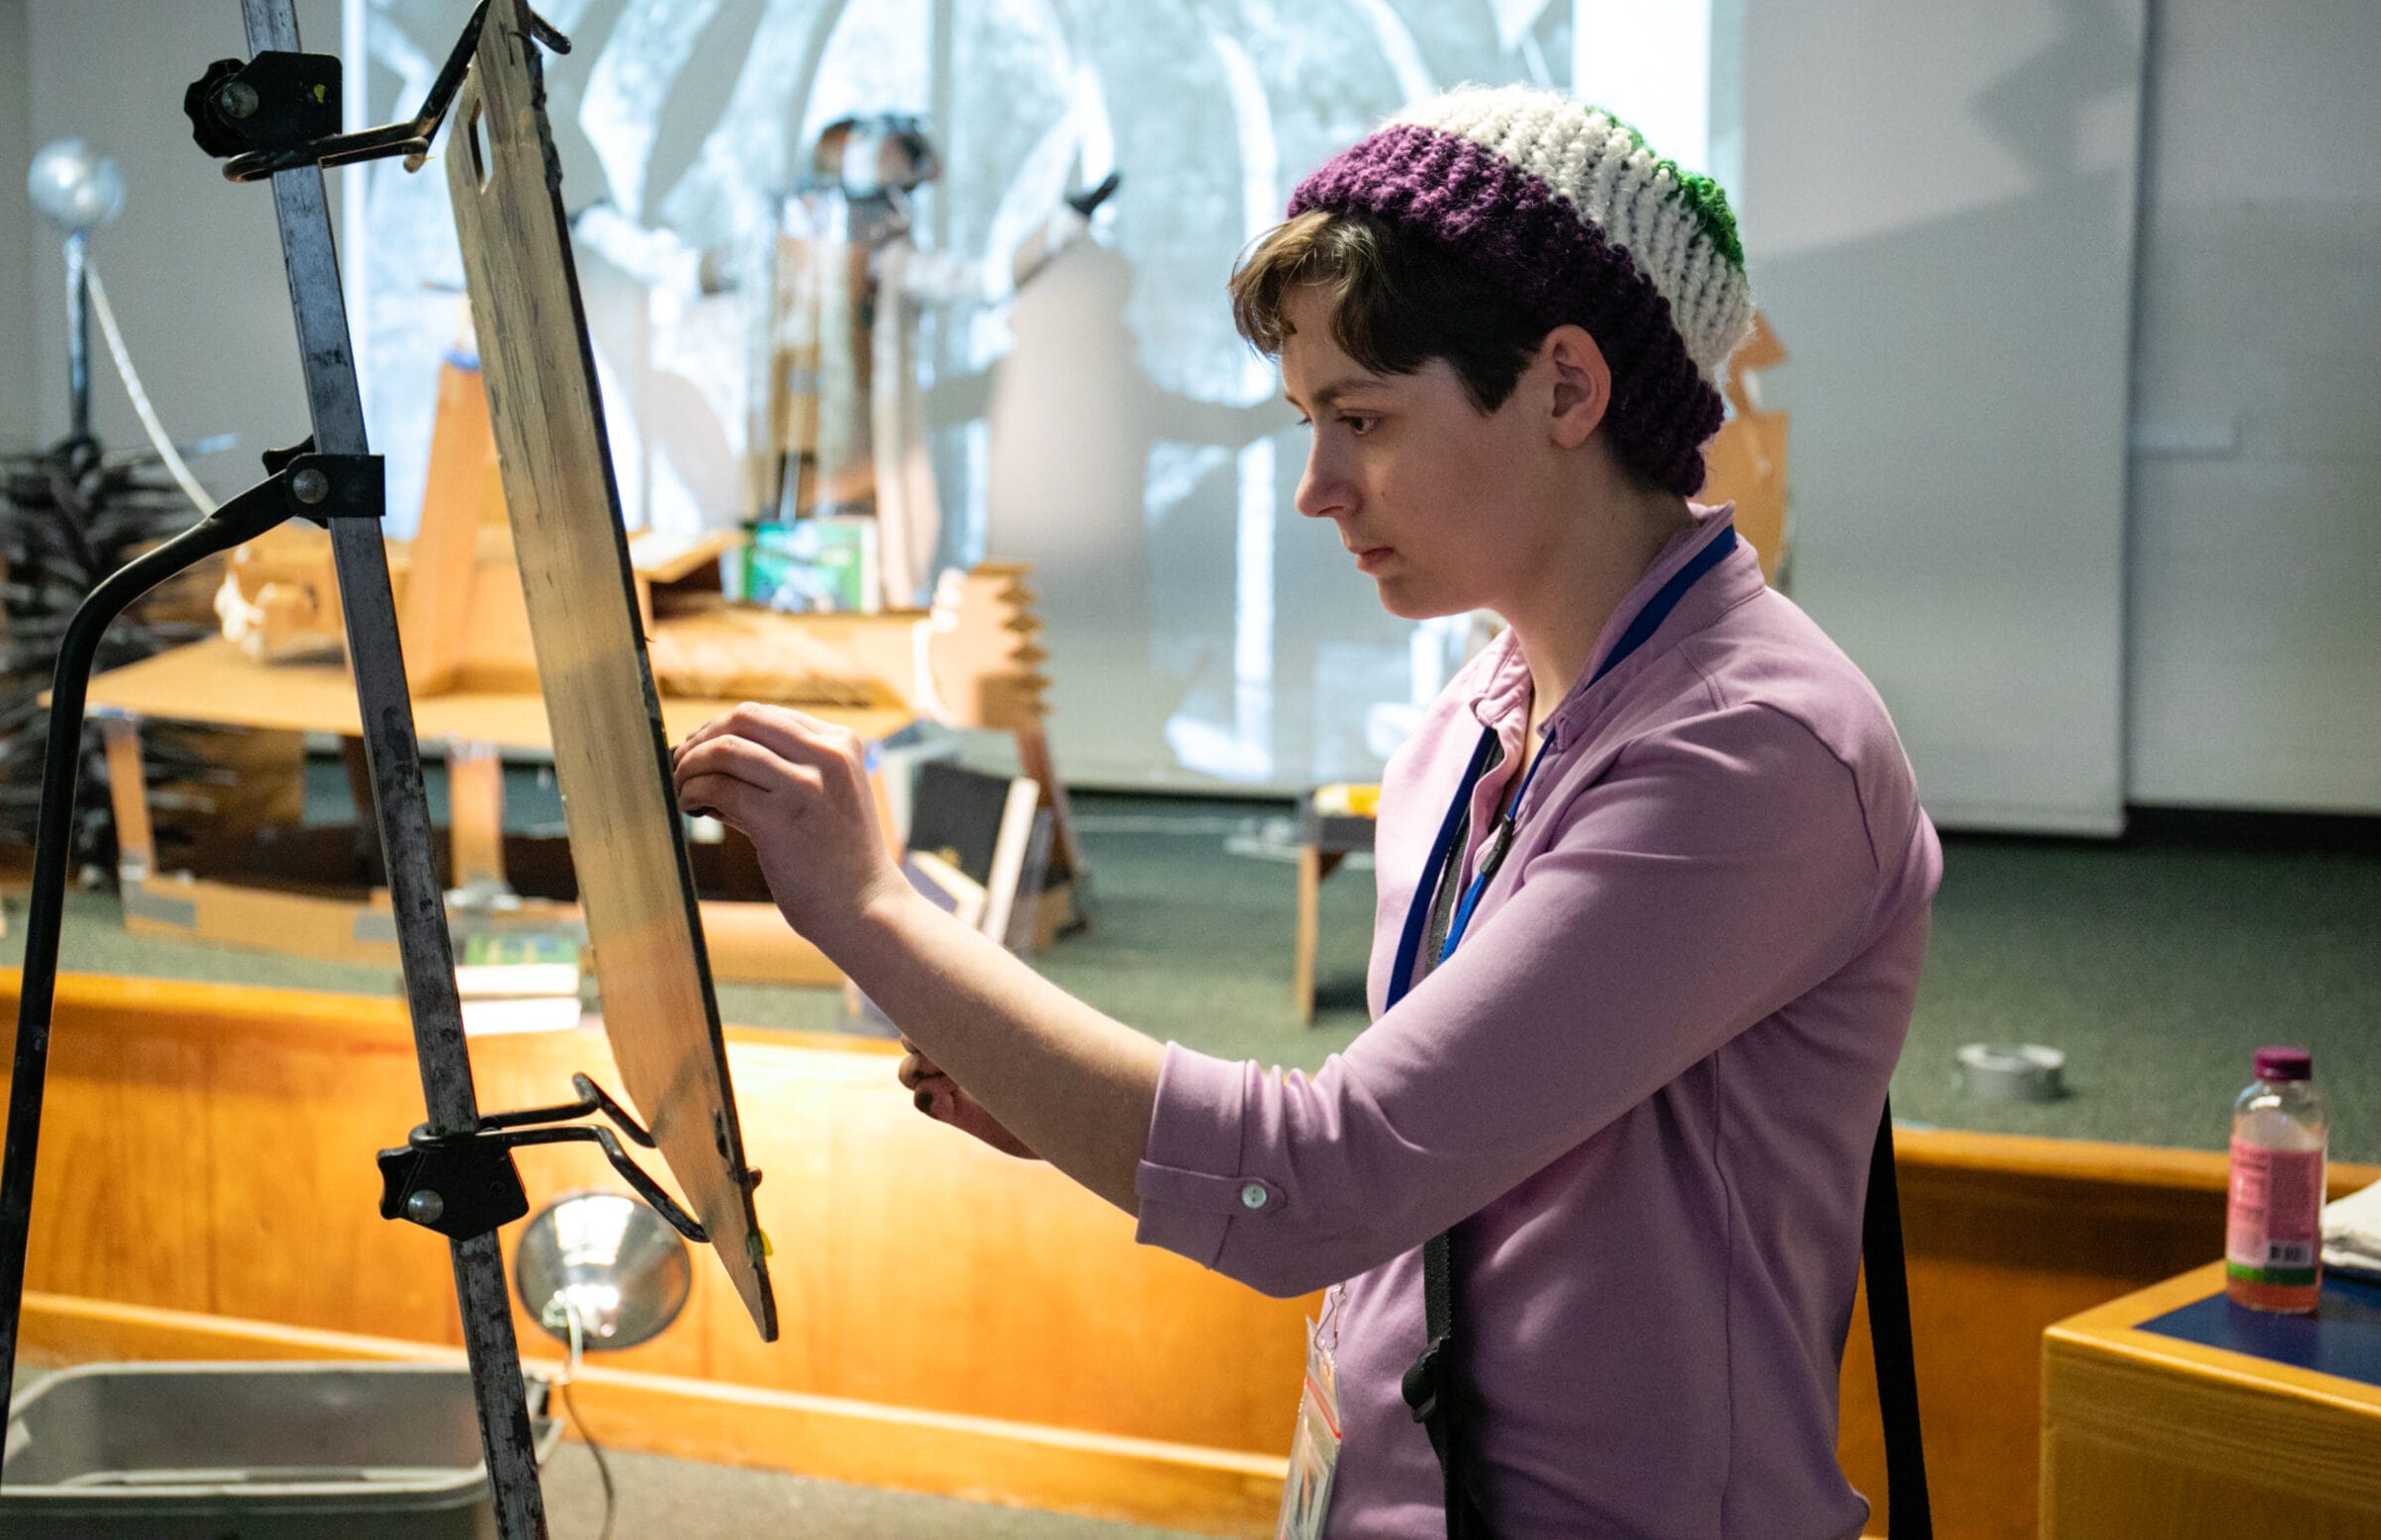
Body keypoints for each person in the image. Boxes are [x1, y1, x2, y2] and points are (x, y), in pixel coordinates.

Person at [671, 84, 1941, 1539]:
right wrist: (1064, 1103)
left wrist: (874, 910)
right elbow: (1427, 1117)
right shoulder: (1481, 708)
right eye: (1306, 422)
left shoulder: (1749, 751)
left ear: (1569, 390)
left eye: (1363, 419)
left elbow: (1321, 1180)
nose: (1319, 489)